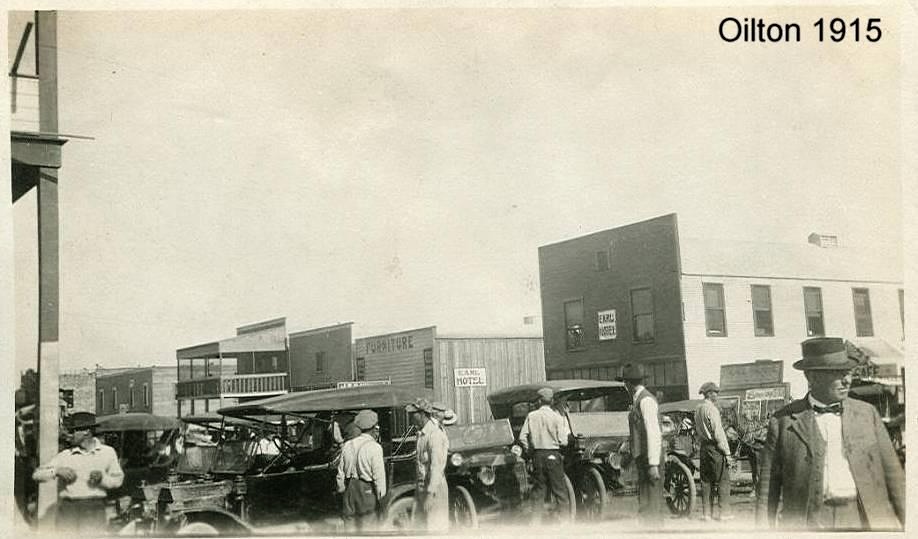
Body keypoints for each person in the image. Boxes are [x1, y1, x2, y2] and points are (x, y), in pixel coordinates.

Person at [756, 337, 905, 530]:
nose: (847, 379)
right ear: (812, 377)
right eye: (838, 373)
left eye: (848, 372)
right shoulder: (783, 421)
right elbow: (767, 489)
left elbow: (894, 477)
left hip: (863, 519)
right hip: (807, 523)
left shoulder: (867, 414)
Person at [32, 411, 124, 533]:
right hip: (68, 510)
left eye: (74, 431)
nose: (70, 435)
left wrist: (102, 479)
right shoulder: (66, 455)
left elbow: (118, 480)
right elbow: (36, 475)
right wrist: (57, 471)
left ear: (86, 431)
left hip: (94, 510)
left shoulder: (107, 452)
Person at [617, 363, 663, 528]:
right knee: (645, 498)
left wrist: (653, 464)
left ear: (628, 384)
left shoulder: (646, 401)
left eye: (625, 383)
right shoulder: (638, 399)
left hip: (650, 459)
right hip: (643, 457)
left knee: (652, 499)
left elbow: (653, 433)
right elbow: (638, 432)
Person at [518, 387, 571, 523]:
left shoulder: (531, 416)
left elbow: (522, 437)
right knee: (559, 489)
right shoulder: (557, 417)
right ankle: (564, 521)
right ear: (551, 401)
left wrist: (530, 450)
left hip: (538, 456)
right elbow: (564, 441)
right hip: (553, 454)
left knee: (539, 489)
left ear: (539, 401)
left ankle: (536, 522)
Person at [336, 409, 386, 531]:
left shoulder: (347, 445)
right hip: (366, 491)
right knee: (368, 528)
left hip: (349, 491)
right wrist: (382, 500)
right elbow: (379, 477)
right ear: (374, 428)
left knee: (350, 527)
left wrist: (342, 491)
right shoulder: (375, 447)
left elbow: (340, 474)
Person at [406, 398, 450, 531]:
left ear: (422, 414)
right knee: (422, 527)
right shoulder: (421, 434)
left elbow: (436, 468)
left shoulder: (434, 435)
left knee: (435, 527)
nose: (410, 417)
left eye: (413, 413)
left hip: (434, 488)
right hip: (422, 488)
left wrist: (430, 494)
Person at [694, 381, 733, 521]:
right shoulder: (712, 409)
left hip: (703, 448)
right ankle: (724, 513)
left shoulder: (698, 409)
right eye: (715, 392)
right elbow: (718, 433)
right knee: (723, 479)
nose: (717, 395)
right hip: (715, 448)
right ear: (709, 394)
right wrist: (727, 453)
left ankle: (706, 514)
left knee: (706, 481)